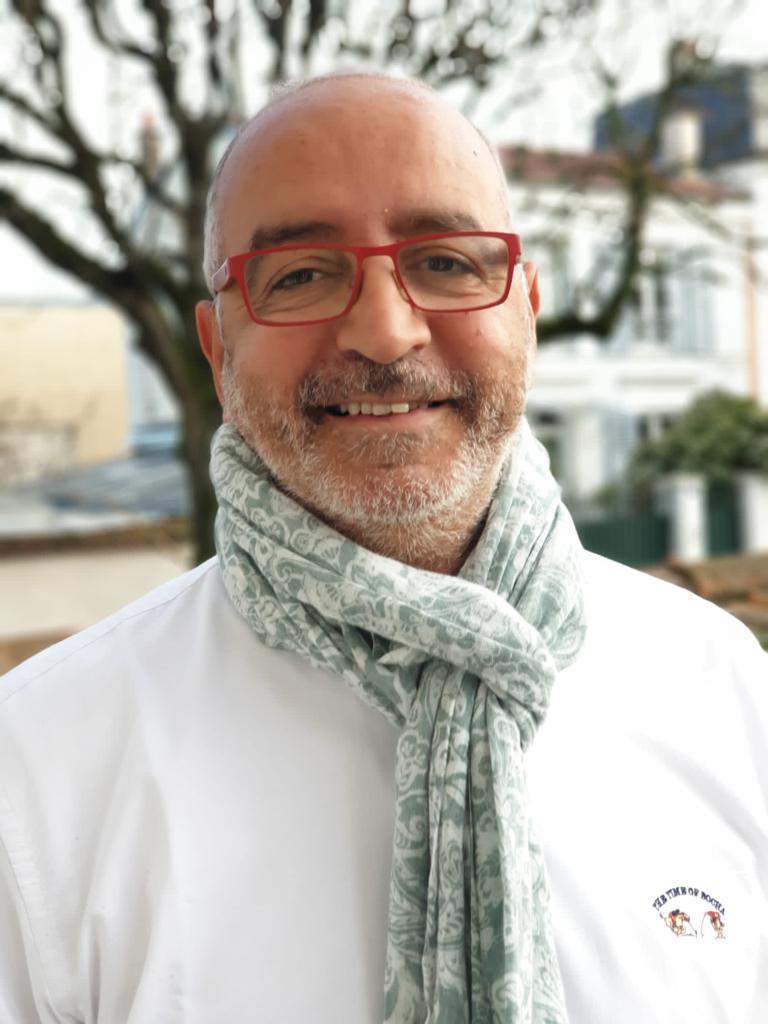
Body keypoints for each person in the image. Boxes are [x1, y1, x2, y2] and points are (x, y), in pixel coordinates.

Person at [1, 73, 766, 1024]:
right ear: (216, 346)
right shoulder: (38, 768)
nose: (384, 331)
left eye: (445, 261)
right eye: (301, 275)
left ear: (527, 309)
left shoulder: (719, 682)